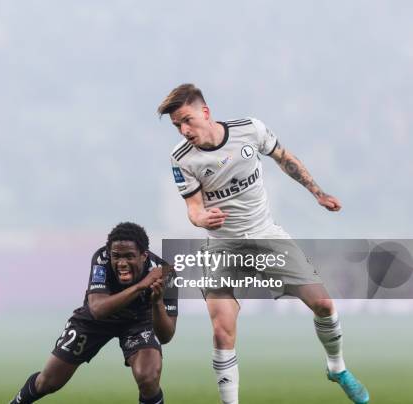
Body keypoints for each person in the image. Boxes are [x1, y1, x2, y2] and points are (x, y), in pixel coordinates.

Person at [158, 84, 369, 404]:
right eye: (177, 126)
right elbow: (193, 208)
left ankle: (337, 367)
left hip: (266, 235)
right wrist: (201, 219)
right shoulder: (182, 158)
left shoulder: (250, 130)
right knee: (221, 330)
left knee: (324, 305)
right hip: (222, 247)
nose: (184, 130)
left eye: (187, 120)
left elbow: (284, 158)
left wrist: (318, 193)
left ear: (205, 111)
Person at [9, 222, 178, 404]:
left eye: (129, 256)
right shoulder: (101, 259)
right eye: (116, 256)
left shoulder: (165, 273)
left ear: (144, 255)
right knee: (48, 382)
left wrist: (157, 302)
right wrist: (140, 286)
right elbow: (98, 309)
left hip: (139, 321)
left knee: (148, 377)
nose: (122, 263)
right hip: (95, 321)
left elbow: (166, 336)